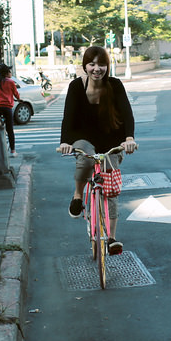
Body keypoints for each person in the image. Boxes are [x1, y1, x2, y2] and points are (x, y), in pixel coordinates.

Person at [58, 45, 137, 255]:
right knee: (86, 160)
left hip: (112, 139)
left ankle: (111, 238)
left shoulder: (115, 85)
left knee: (110, 188)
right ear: (85, 65)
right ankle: (77, 195)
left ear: (107, 66)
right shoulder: (76, 86)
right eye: (92, 64)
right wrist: (65, 142)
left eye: (101, 64)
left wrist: (129, 138)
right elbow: (68, 117)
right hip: (83, 137)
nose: (96, 68)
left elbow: (127, 115)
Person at [0, 64, 21, 157]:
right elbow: (16, 94)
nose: (11, 73)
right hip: (7, 107)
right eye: (10, 71)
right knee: (10, 129)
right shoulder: (10, 82)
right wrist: (18, 99)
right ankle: (13, 151)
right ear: (7, 73)